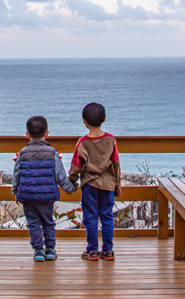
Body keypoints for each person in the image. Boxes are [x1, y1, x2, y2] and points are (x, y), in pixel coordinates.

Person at [12, 115, 76, 262]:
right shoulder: (52, 153)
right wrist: (70, 188)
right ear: (47, 134)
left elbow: (16, 175)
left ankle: (38, 250)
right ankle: (50, 249)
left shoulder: (22, 153)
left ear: (27, 135)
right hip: (47, 196)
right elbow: (60, 175)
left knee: (33, 222)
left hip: (28, 195)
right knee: (48, 221)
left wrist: (16, 191)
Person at [69, 102, 121, 261]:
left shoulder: (82, 142)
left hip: (90, 185)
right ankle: (108, 250)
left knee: (90, 218)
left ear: (84, 121)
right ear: (104, 118)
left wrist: (72, 180)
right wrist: (117, 185)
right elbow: (116, 163)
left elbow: (76, 165)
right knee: (107, 217)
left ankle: (92, 250)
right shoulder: (111, 140)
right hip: (108, 184)